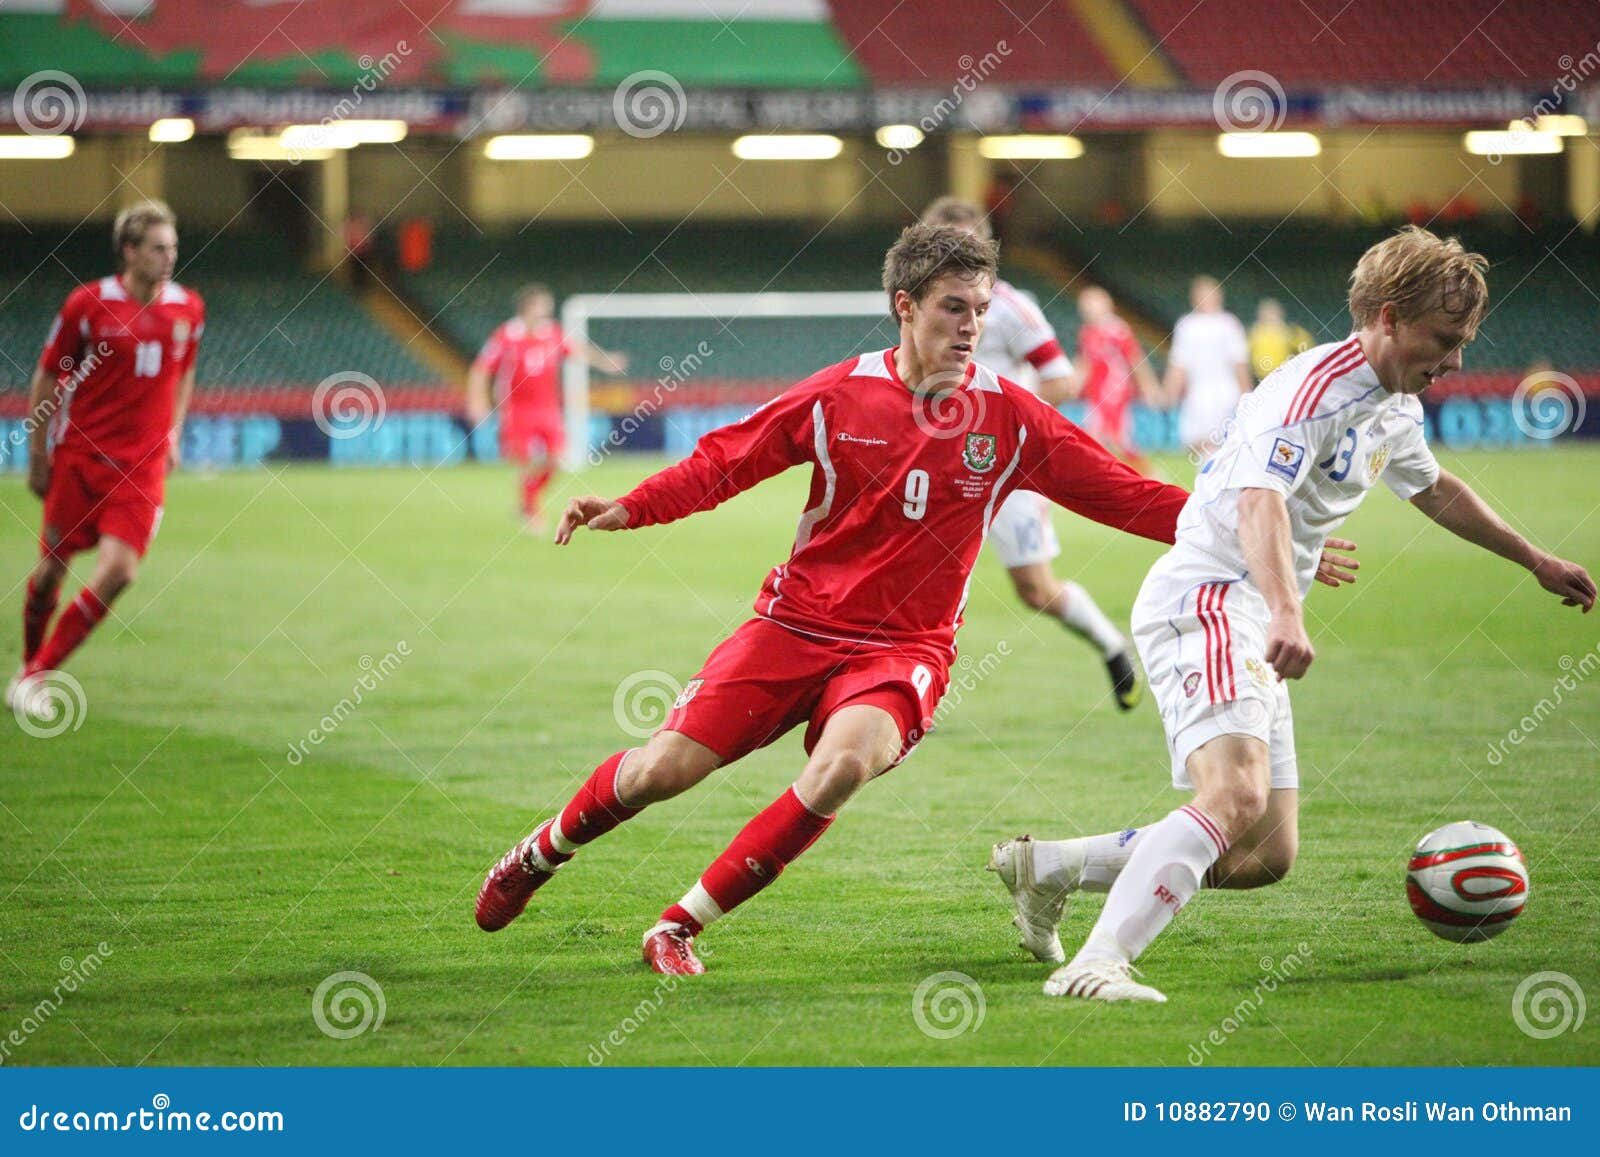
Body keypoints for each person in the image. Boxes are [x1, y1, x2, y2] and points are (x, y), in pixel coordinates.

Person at [474, 223, 1194, 976]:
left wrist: (1247, 531)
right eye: (955, 307)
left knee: (845, 762)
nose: (973, 326)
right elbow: (729, 458)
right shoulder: (837, 396)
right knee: (663, 770)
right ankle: (540, 850)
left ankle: (677, 926)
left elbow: (1126, 495)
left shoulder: (1009, 417)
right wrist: (633, 505)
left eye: (980, 309)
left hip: (905, 649)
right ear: (905, 306)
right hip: (796, 621)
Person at [988, 226, 1596, 1003]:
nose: (1455, 362)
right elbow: (1259, 495)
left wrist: (1534, 558)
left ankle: (1052, 867)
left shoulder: (1394, 403)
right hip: (1210, 598)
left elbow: (1435, 487)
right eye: (1444, 340)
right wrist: (1286, 605)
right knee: (1233, 795)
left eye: (1464, 342)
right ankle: (1098, 963)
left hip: (1252, 607)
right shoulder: (1311, 391)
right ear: (1385, 317)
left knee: (1264, 853)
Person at [920, 198, 1142, 710]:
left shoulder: (1010, 307)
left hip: (1000, 470)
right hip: (935, 467)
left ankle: (1111, 645)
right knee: (920, 579)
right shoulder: (919, 303)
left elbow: (1061, 380)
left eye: (963, 246)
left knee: (1036, 589)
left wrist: (998, 425)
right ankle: (907, 694)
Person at [8, 200, 204, 714]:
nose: (168, 258)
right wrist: (37, 454)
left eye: (173, 248)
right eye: (158, 249)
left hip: (142, 468)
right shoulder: (88, 306)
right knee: (51, 572)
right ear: (130, 251)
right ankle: (31, 666)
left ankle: (35, 675)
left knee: (120, 571)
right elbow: (49, 376)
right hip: (80, 459)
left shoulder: (188, 309)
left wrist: (175, 433)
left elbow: (184, 374)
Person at [465, 284, 628, 532]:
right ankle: (530, 509)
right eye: (542, 307)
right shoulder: (506, 336)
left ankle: (526, 501)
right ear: (527, 308)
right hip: (517, 410)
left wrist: (607, 363)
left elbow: (578, 351)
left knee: (556, 458)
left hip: (547, 408)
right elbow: (481, 369)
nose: (547, 312)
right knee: (527, 461)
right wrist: (478, 402)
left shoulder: (552, 333)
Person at [1073, 286, 1162, 475]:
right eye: (1085, 305)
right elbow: (1084, 363)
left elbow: (1135, 359)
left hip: (1115, 393)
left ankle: (1149, 476)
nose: (1087, 309)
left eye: (1091, 304)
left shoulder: (1117, 330)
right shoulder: (1087, 333)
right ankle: (1104, 479)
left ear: (1106, 304)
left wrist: (1149, 387)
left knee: (1118, 438)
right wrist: (1074, 385)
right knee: (1097, 438)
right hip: (1096, 395)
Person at [1164, 276, 1251, 459]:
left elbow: (1239, 363)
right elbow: (1178, 365)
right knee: (1196, 442)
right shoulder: (1186, 325)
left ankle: (1217, 480)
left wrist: (1246, 395)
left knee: (1223, 442)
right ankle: (1207, 479)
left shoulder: (1229, 324)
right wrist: (1170, 392)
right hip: (1198, 393)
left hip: (1225, 392)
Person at [1247, 298, 1313, 382]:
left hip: (1284, 377)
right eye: (1266, 313)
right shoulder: (1254, 333)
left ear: (1281, 314)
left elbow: (1308, 349)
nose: (1270, 317)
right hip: (1260, 379)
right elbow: (1244, 356)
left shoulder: (1291, 331)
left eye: (1273, 313)